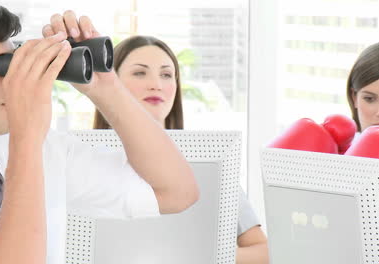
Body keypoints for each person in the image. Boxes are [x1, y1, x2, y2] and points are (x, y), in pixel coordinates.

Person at [0, 1, 199, 264]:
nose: (19, 80)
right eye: (0, 67)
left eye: (16, 60)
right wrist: (26, 137)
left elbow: (176, 193)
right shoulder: (25, 143)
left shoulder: (33, 147)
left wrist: (104, 86)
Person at [93, 35, 269, 264]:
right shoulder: (87, 161)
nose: (156, 84)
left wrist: (199, 255)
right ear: (111, 83)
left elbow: (262, 252)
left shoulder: (211, 164)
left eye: (166, 74)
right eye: (140, 72)